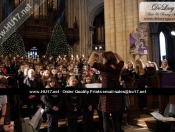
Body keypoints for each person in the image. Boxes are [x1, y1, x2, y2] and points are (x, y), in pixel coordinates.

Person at [88, 51, 124, 132]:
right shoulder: (117, 67)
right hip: (116, 95)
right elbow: (122, 61)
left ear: (107, 59)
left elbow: (90, 62)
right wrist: (116, 53)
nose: (103, 59)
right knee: (115, 118)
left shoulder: (105, 67)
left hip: (106, 95)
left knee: (105, 118)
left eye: (104, 58)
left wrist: (93, 53)